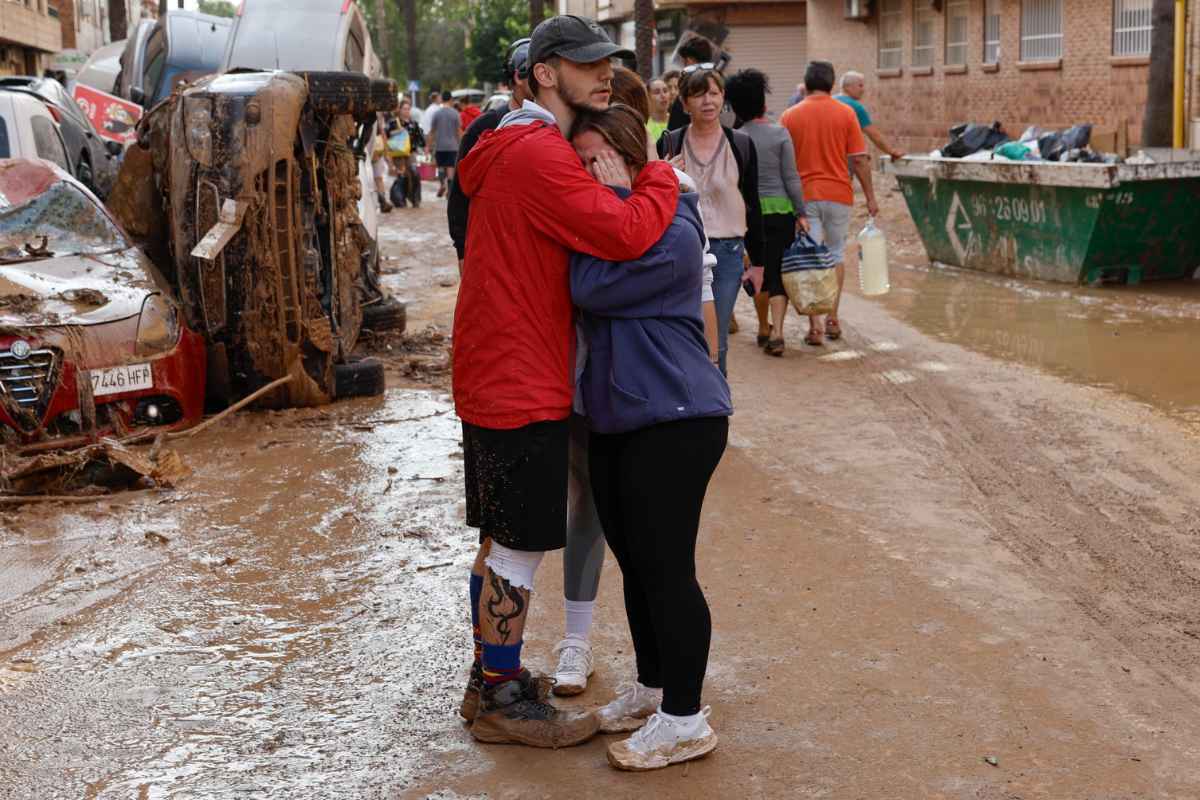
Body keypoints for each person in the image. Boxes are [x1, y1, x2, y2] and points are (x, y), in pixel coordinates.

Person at [453, 14, 680, 748]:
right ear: (546, 72)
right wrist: (658, 178)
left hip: (496, 365)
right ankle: (499, 700)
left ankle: (494, 678)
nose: (603, 72)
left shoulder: (505, 143)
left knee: (499, 540)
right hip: (521, 373)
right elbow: (623, 234)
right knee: (517, 547)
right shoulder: (540, 153)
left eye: (606, 61)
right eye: (586, 64)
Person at [568, 103, 732, 771]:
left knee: (667, 571)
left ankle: (686, 718)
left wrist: (610, 202)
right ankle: (654, 688)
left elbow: (589, 285)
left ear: (632, 161)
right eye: (577, 161)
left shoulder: (675, 227)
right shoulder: (610, 223)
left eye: (599, 160)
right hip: (616, 415)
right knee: (637, 565)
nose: (587, 172)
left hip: (677, 416)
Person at [658, 66, 764, 377]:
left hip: (728, 253)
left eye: (714, 93)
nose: (708, 101)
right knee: (683, 330)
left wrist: (758, 262)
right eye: (699, 94)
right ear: (685, 102)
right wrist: (664, 174)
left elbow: (753, 204)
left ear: (723, 98)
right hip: (682, 249)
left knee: (715, 338)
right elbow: (655, 201)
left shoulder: (740, 144)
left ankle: (715, 404)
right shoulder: (670, 143)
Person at [780, 61, 879, 345]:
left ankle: (815, 326)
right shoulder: (846, 113)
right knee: (835, 254)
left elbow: (782, 161)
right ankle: (833, 317)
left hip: (803, 197)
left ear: (806, 82)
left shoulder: (790, 116)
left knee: (812, 256)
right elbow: (859, 159)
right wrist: (871, 197)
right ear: (833, 84)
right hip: (839, 195)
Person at [725, 68, 808, 357]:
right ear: (762, 101)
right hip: (780, 212)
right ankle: (779, 332)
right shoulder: (779, 133)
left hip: (748, 215)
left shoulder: (734, 137)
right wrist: (801, 212)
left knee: (756, 267)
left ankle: (762, 326)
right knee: (777, 270)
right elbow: (792, 178)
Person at [448, 38, 533, 271]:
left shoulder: (559, 123)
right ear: (518, 76)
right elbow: (460, 194)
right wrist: (463, 251)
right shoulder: (484, 127)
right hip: (492, 253)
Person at [835, 71, 904, 162]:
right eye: (860, 86)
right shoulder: (855, 106)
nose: (863, 90)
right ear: (847, 87)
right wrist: (891, 151)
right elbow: (874, 135)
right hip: (843, 157)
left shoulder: (831, 100)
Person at [666, 31, 722, 131]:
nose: (707, 100)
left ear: (689, 61)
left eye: (713, 94)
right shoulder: (723, 84)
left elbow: (673, 131)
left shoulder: (686, 90)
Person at [389, 98, 425, 209]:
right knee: (402, 176)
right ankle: (399, 199)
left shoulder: (414, 124)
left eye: (408, 109)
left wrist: (423, 146)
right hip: (398, 154)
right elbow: (387, 135)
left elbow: (420, 139)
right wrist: (399, 130)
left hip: (411, 153)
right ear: (399, 110)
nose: (406, 111)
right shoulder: (394, 122)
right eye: (404, 109)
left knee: (414, 174)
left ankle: (415, 199)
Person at [427, 91, 461, 198]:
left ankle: (442, 184)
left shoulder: (437, 113)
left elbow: (432, 131)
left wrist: (428, 146)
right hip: (453, 146)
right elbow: (458, 131)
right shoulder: (455, 113)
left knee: (441, 168)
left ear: (442, 99)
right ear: (451, 100)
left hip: (440, 146)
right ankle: (450, 191)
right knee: (451, 168)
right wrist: (462, 144)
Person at [370, 115, 393, 212]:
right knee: (378, 177)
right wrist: (387, 151)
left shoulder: (378, 115)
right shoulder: (378, 113)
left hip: (372, 147)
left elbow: (382, 131)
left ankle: (381, 200)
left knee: (376, 177)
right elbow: (382, 132)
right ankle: (381, 200)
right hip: (376, 147)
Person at [647, 77, 670, 146]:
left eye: (665, 91)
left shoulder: (678, 120)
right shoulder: (644, 125)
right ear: (648, 97)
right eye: (657, 92)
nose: (663, 96)